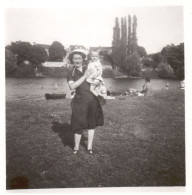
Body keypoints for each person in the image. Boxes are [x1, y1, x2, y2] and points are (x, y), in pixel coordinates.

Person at [67, 49, 104, 154]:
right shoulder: (71, 72)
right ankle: (76, 148)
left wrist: (99, 85)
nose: (77, 60)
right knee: (78, 124)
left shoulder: (89, 67)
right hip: (79, 102)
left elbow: (98, 74)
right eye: (75, 58)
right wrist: (84, 76)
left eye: (79, 58)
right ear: (72, 60)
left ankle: (89, 147)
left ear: (83, 59)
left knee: (91, 124)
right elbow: (72, 86)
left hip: (92, 101)